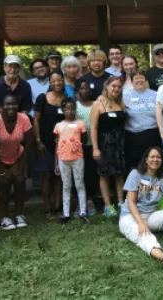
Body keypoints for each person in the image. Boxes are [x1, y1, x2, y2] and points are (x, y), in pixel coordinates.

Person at [118, 147, 163, 269]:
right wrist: (140, 222)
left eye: (158, 157)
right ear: (146, 159)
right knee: (144, 235)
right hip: (130, 217)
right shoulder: (135, 174)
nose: (155, 159)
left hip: (150, 216)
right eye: (152, 157)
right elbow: (131, 202)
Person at [0, 95, 36, 230]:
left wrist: (21, 164)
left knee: (19, 180)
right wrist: (2, 169)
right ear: (1, 107)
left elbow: (30, 142)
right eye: (7, 104)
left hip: (15, 154)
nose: (11, 107)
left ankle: (19, 214)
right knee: (4, 181)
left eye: (13, 104)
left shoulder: (23, 118)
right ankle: (4, 217)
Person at [91, 77, 127, 217]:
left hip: (120, 143)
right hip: (104, 143)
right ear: (107, 86)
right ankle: (107, 205)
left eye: (118, 86)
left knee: (119, 173)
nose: (116, 89)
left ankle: (120, 202)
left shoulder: (121, 104)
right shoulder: (98, 104)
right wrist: (95, 148)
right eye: (113, 86)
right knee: (104, 174)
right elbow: (93, 127)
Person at [34, 72, 66, 219]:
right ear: (50, 83)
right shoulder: (42, 98)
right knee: (47, 175)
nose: (57, 83)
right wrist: (38, 140)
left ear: (63, 81)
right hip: (45, 143)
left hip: (63, 144)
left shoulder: (67, 100)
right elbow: (36, 120)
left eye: (59, 80)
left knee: (59, 176)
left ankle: (58, 206)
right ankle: (47, 207)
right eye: (53, 81)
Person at [54, 98, 88, 224]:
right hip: (63, 159)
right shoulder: (58, 126)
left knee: (79, 184)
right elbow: (57, 145)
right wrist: (56, 163)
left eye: (72, 109)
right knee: (66, 185)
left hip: (77, 158)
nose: (69, 111)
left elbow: (84, 139)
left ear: (75, 109)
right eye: (66, 109)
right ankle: (66, 213)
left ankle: (83, 212)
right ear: (62, 110)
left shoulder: (80, 123)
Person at [123, 73, 162, 172]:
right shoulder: (124, 95)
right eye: (136, 78)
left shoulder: (155, 95)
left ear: (146, 80)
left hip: (152, 134)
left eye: (142, 78)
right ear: (131, 82)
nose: (139, 80)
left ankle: (153, 184)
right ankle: (135, 185)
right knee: (135, 164)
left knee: (152, 162)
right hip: (133, 136)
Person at [75, 80, 98, 216]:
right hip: (78, 145)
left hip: (93, 144)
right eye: (81, 88)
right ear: (77, 90)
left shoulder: (96, 104)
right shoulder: (75, 105)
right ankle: (80, 201)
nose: (84, 91)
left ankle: (90, 199)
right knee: (79, 174)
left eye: (87, 88)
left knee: (91, 173)